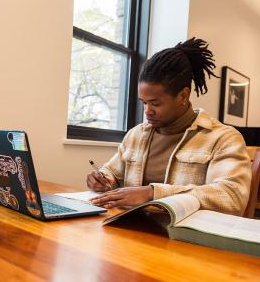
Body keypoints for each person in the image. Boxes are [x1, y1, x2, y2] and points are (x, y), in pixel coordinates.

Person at [86, 37, 251, 216]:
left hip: (183, 238)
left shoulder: (223, 138)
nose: (147, 111)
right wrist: (102, 179)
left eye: (155, 104)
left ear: (183, 96)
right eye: (144, 103)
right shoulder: (136, 135)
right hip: (130, 229)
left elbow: (231, 197)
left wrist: (152, 193)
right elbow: (112, 173)